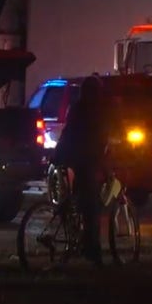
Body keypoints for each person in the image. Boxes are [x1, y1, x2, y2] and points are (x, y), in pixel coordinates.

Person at [51, 76, 113, 265]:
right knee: (91, 206)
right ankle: (92, 251)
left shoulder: (77, 108)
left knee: (73, 199)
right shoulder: (98, 110)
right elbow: (101, 138)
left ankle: (72, 237)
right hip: (86, 160)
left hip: (68, 157)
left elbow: (68, 132)